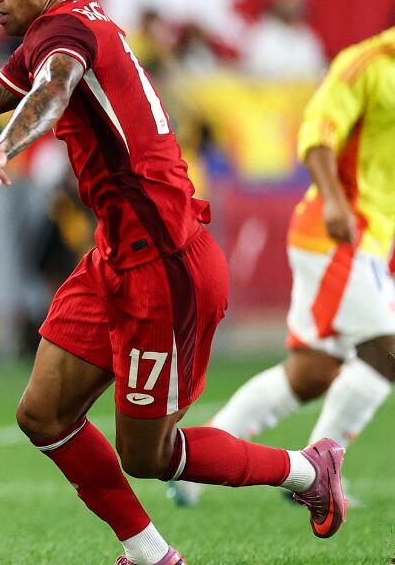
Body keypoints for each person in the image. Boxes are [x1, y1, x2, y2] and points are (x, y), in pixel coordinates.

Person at [0, 0, 346, 565]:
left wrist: (6, 147)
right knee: (42, 414)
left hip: (167, 265)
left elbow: (55, 91)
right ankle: (150, 554)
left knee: (149, 454)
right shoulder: (48, 38)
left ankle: (307, 471)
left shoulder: (68, 36)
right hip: (116, 258)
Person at [169, 26, 395, 508]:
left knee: (311, 372)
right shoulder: (366, 65)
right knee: (386, 354)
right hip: (338, 233)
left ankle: (194, 463)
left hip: (371, 242)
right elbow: (317, 134)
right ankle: (317, 471)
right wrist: (335, 201)